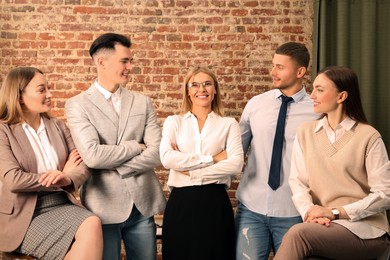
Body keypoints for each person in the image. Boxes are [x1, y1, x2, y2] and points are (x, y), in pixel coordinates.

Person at [65, 33, 166, 260]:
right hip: (103, 207)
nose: (130, 66)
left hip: (142, 205)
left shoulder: (142, 101)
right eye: (125, 61)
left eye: (131, 61)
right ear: (102, 62)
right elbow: (92, 156)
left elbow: (158, 151)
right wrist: (135, 146)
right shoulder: (77, 105)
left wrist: (117, 164)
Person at [274, 66, 390, 260]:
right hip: (324, 227)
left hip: (367, 230)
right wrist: (310, 212)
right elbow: (298, 182)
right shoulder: (305, 132)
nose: (312, 96)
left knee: (298, 234)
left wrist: (334, 212)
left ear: (341, 96)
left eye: (320, 90)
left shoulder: (368, 136)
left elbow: (385, 194)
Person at [0, 67, 103, 260]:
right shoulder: (3, 131)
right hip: (24, 214)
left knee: (92, 223)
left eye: (49, 88)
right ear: (19, 96)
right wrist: (57, 176)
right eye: (42, 90)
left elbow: (83, 166)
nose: (50, 94)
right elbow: (13, 180)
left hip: (61, 203)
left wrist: (66, 177)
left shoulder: (58, 126)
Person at [235, 42, 318, 259]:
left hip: (295, 212)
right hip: (251, 209)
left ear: (300, 72)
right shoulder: (256, 105)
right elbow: (236, 151)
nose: (273, 72)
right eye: (273, 65)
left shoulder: (317, 112)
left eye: (280, 67)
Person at [159, 66, 244, 260]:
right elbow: (167, 158)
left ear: (215, 90)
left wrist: (190, 170)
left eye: (207, 84)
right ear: (188, 92)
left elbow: (236, 164)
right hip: (181, 204)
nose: (201, 89)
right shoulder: (174, 122)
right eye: (195, 85)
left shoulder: (229, 124)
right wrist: (213, 159)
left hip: (215, 203)